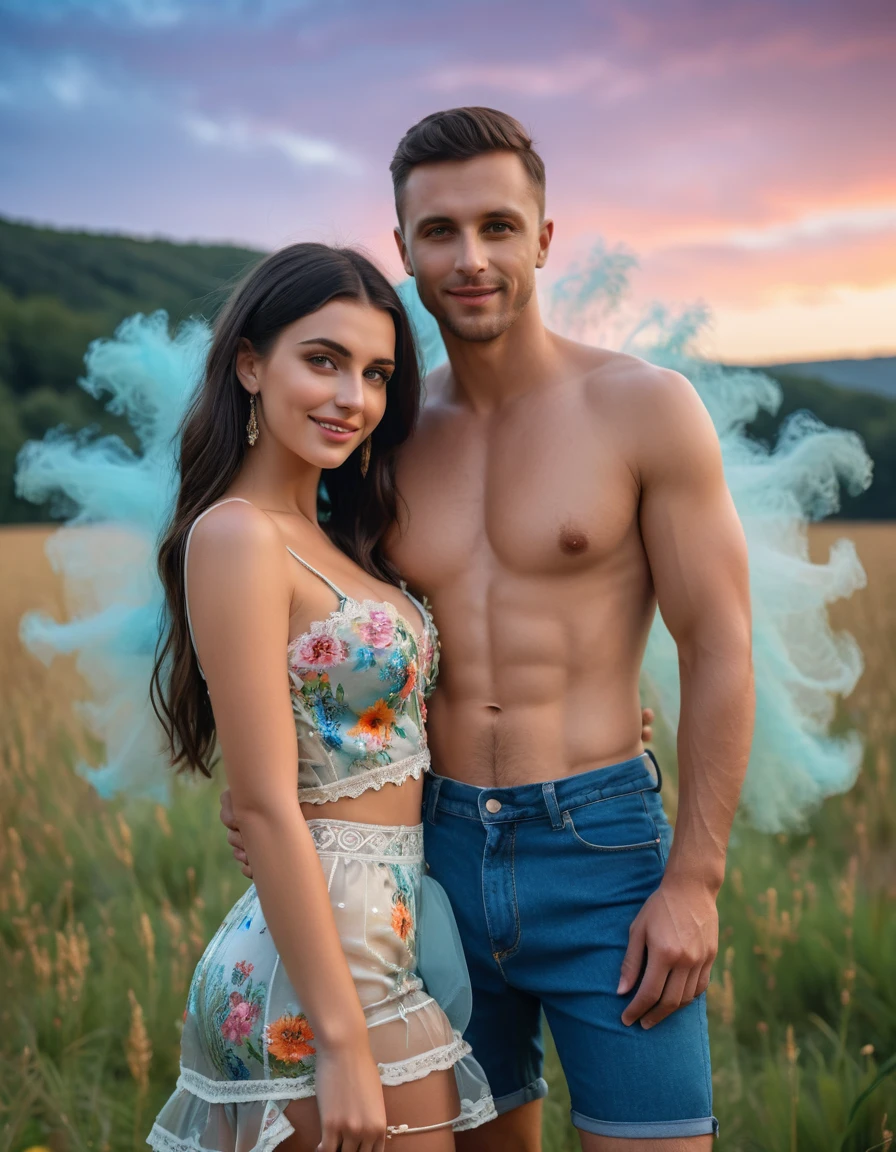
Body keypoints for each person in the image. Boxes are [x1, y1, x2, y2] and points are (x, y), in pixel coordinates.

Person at [221, 107, 753, 1151]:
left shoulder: (644, 408)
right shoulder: (379, 438)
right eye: (439, 233)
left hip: (604, 856)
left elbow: (718, 646)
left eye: (498, 227)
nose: (470, 258)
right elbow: (285, 598)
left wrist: (693, 878)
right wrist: (273, 797)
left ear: (543, 239)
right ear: (404, 249)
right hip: (429, 860)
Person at [147, 241, 497, 1152]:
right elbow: (263, 801)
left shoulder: (335, 538)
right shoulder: (236, 536)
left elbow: (375, 732)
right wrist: (340, 1042)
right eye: (324, 360)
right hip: (323, 971)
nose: (355, 398)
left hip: (385, 929)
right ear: (251, 364)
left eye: (376, 373)